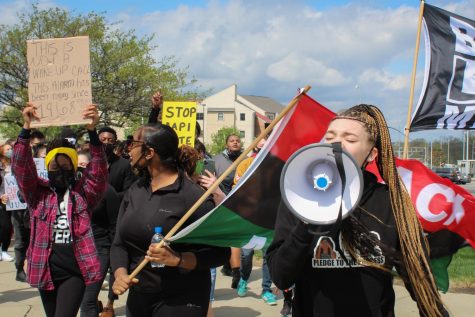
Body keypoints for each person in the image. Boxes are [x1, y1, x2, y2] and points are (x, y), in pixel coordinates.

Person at [266, 104, 448, 317]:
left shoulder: (390, 203)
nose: (336, 143)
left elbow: (417, 277)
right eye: (330, 135)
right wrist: (305, 225)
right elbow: (281, 277)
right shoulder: (298, 199)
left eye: (350, 139)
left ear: (371, 154)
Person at [110, 122, 230, 317]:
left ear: (149, 153)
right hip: (140, 299)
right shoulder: (135, 191)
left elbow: (220, 253)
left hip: (181, 300)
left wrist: (177, 259)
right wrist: (120, 274)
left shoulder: (193, 197)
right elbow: (119, 243)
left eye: (133, 143)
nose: (129, 148)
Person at [11, 102, 108, 317]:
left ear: (74, 167)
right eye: (55, 168)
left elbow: (99, 173)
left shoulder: (84, 194)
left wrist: (93, 133)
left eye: (66, 166)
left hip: (75, 269)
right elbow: (20, 168)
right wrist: (25, 128)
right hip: (45, 268)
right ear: (47, 169)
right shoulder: (37, 194)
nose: (60, 171)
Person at [78, 149, 121, 317]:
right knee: (84, 297)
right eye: (77, 165)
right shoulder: (71, 191)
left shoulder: (107, 192)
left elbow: (114, 227)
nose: (80, 169)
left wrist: (114, 257)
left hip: (99, 250)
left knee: (87, 299)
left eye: (84, 165)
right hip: (77, 251)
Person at [212, 134, 242, 281]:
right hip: (221, 200)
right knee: (224, 235)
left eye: (237, 141)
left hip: (239, 201)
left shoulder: (245, 158)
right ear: (226, 144)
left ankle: (232, 267)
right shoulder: (218, 160)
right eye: (232, 141)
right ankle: (228, 263)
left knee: (234, 234)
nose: (235, 143)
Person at [0, 143, 14, 262]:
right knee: (4, 225)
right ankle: (2, 250)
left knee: (9, 227)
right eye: (7, 149)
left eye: (11, 148)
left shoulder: (15, 164)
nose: (10, 151)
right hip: (2, 200)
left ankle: (4, 250)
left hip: (13, 200)